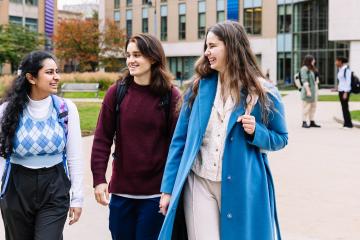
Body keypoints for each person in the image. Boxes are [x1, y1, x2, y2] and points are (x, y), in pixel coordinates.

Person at [158, 21, 288, 240]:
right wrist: (168, 188)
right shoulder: (198, 88)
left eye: (213, 46)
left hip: (242, 186)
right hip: (198, 181)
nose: (207, 52)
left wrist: (257, 132)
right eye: (206, 46)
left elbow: (281, 138)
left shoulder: (263, 91)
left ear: (232, 46)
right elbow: (179, 141)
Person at [90, 33, 181, 240]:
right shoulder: (116, 93)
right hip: (122, 194)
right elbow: (102, 138)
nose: (131, 60)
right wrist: (98, 179)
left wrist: (170, 190)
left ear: (153, 57)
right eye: (128, 55)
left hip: (155, 196)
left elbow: (177, 147)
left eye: (137, 55)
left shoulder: (170, 96)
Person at [0, 50, 83, 240]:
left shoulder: (66, 109)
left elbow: (75, 156)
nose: (57, 77)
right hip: (16, 187)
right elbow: (1, 156)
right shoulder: (6, 110)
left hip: (54, 185)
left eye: (57, 71)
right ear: (31, 77)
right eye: (49, 72)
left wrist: (77, 198)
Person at [300, 54, 321, 128]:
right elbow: (304, 80)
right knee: (306, 107)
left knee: (313, 106)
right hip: (308, 90)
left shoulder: (312, 68)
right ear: (309, 60)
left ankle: (312, 121)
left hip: (314, 89)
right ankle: (304, 122)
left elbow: (314, 78)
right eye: (313, 59)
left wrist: (316, 81)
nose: (314, 61)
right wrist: (308, 91)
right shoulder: (304, 69)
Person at [335, 56, 353, 128]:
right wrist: (337, 88)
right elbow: (342, 81)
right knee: (343, 107)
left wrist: (346, 92)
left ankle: (349, 124)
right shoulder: (340, 69)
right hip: (341, 90)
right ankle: (346, 123)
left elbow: (348, 82)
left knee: (345, 107)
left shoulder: (347, 70)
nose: (335, 63)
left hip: (345, 91)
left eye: (336, 61)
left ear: (340, 62)